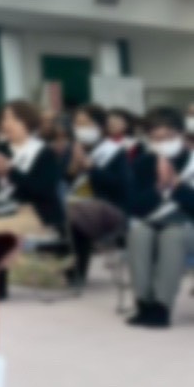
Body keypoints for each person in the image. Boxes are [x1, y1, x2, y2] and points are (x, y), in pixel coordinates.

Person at [125, 107, 194, 329]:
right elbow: (133, 206)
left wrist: (177, 186)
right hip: (152, 221)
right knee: (139, 234)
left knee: (172, 236)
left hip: (187, 225)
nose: (163, 143)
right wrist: (157, 189)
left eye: (168, 137)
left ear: (181, 134)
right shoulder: (143, 163)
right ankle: (143, 303)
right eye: (156, 138)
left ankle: (162, 307)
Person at [0, 100, 66, 239]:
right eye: (5, 119)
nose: (7, 124)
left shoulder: (44, 152)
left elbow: (43, 191)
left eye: (15, 119)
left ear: (28, 123)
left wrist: (11, 172)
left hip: (36, 212)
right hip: (0, 210)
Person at [63, 104, 134, 286]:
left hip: (106, 207)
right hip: (74, 204)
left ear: (100, 126)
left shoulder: (115, 151)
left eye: (86, 123)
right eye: (77, 124)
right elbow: (60, 182)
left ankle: (76, 274)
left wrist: (92, 168)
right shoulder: (72, 149)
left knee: (78, 219)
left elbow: (121, 186)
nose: (80, 128)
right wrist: (71, 170)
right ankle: (63, 271)